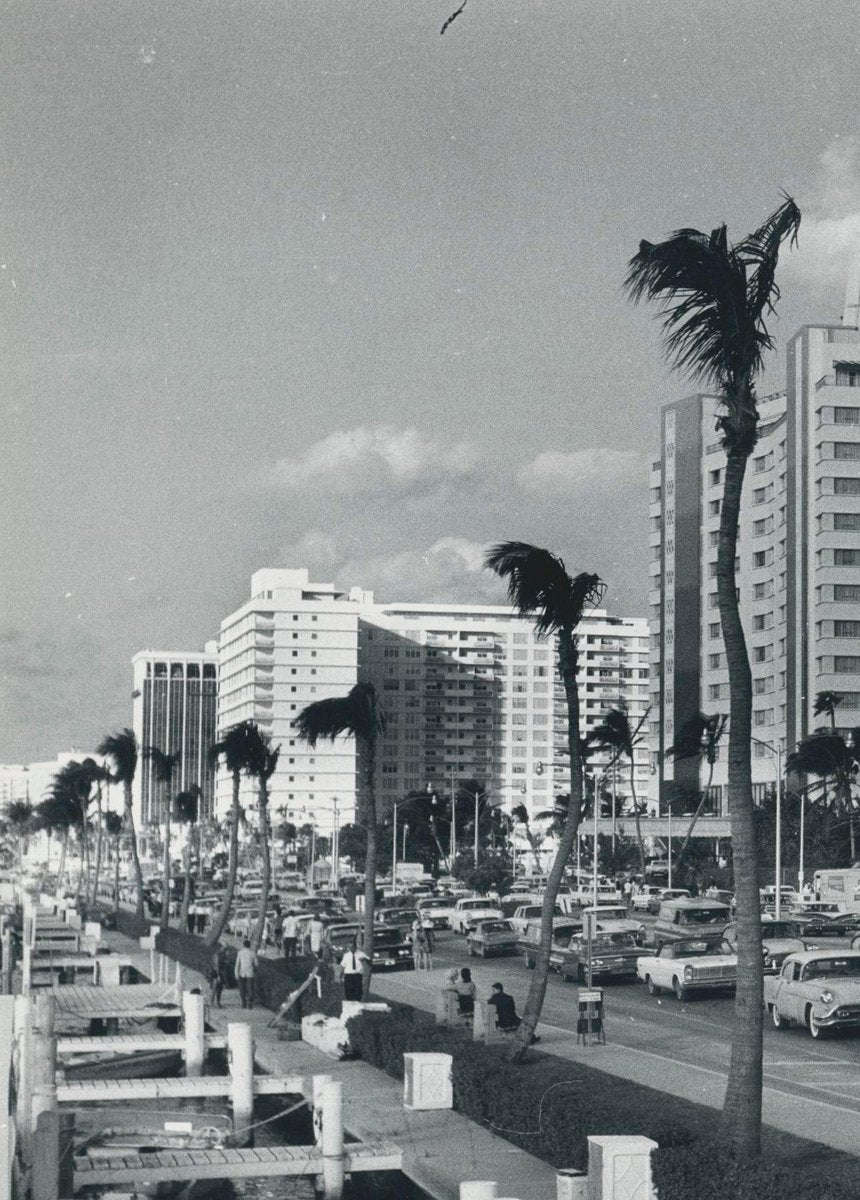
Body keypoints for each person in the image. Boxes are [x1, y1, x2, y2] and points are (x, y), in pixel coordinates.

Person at [234, 938, 257, 1009]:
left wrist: (236, 973)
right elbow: (256, 964)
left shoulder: (240, 953)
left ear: (243, 945)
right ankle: (250, 1004)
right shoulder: (253, 953)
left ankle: (243, 1003)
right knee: (250, 988)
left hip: (242, 972)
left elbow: (237, 964)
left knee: (242, 988)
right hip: (250, 973)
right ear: (250, 945)